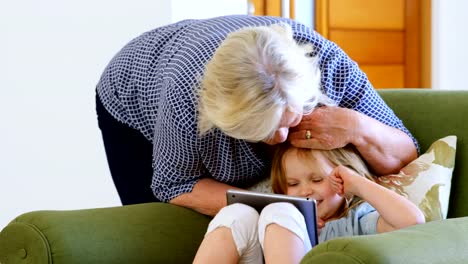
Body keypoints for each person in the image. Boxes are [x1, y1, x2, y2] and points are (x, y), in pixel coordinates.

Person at [95, 15, 418, 214]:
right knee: (161, 234)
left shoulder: (331, 66)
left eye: (289, 121)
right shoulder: (186, 99)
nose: (280, 139)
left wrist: (358, 128)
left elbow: (409, 154)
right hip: (133, 92)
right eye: (260, 131)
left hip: (218, 51)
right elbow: (174, 185)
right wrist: (276, 207)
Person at [193, 144, 425, 264]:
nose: (305, 190)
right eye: (292, 184)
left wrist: (357, 184)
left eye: (317, 179)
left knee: (280, 210)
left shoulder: (357, 218)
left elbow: (413, 221)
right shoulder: (271, 219)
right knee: (236, 212)